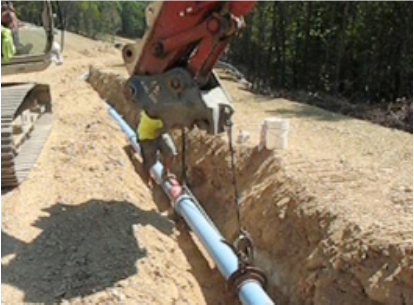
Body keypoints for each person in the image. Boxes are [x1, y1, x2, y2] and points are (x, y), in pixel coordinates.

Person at [137, 109, 177, 188]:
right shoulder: (153, 107)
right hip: (146, 138)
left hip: (159, 133)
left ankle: (164, 173)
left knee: (170, 153)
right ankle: (147, 180)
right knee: (149, 162)